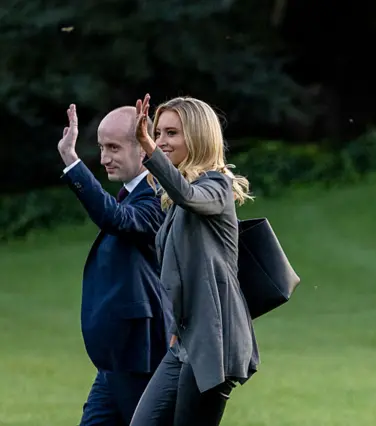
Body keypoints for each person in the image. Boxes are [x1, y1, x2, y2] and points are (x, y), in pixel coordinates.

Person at [129, 94, 259, 426]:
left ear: (199, 137)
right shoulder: (175, 201)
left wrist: (148, 149)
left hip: (214, 343)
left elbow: (188, 197)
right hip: (184, 340)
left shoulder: (217, 186)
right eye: (157, 133)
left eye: (172, 133)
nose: (161, 141)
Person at [58, 104, 173, 425]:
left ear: (143, 147)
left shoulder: (158, 194)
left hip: (140, 351)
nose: (104, 157)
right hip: (118, 356)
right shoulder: (131, 195)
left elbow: (118, 220)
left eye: (113, 147)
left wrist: (73, 163)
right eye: (100, 148)